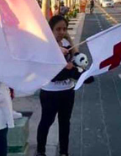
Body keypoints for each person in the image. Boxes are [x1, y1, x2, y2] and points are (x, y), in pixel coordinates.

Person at [36, 16, 92, 156]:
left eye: (64, 29)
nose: (61, 32)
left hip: (67, 92)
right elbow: (54, 75)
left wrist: (70, 41)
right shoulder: (45, 46)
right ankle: (41, 151)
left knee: (65, 123)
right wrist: (73, 71)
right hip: (50, 93)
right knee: (46, 122)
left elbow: (77, 58)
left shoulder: (67, 44)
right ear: (51, 30)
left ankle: (64, 152)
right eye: (58, 29)